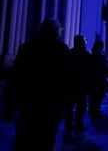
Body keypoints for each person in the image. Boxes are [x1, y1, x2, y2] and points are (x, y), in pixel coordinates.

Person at [10, 18, 69, 151]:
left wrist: (12, 105)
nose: (60, 33)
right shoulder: (62, 49)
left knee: (26, 138)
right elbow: (65, 78)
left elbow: (16, 76)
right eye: (60, 31)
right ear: (55, 32)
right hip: (51, 103)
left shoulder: (27, 47)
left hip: (30, 101)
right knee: (46, 139)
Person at [63, 34, 92, 138]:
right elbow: (90, 72)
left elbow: (64, 70)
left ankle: (68, 126)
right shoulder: (87, 55)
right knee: (80, 108)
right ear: (82, 42)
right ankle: (78, 125)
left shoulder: (69, 54)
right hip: (81, 86)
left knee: (69, 108)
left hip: (71, 85)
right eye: (85, 40)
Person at [88, 40, 108, 118]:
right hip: (99, 80)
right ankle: (95, 111)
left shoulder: (92, 55)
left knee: (94, 97)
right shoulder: (100, 57)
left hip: (93, 80)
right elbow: (103, 69)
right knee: (97, 96)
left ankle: (93, 110)